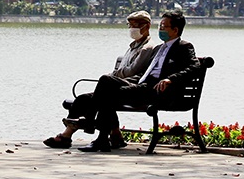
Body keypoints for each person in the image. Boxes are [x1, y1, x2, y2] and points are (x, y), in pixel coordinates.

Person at [61, 10, 200, 153]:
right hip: (142, 86)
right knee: (106, 85)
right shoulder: (159, 48)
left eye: (164, 26)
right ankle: (100, 138)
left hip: (157, 92)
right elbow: (145, 74)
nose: (160, 29)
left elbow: (195, 66)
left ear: (175, 30)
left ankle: (94, 129)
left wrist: (171, 79)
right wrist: (128, 82)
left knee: (106, 86)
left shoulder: (184, 47)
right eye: (160, 26)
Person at [42, 10, 159, 149]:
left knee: (105, 87)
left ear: (146, 26)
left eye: (135, 25)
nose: (132, 29)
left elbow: (131, 71)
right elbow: (122, 71)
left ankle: (90, 122)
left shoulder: (148, 48)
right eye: (130, 25)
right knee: (83, 99)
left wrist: (111, 76)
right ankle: (68, 136)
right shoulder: (133, 47)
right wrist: (113, 76)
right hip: (117, 86)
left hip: (132, 87)